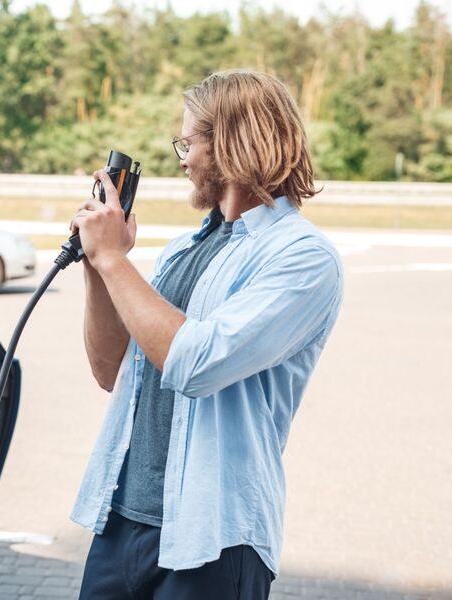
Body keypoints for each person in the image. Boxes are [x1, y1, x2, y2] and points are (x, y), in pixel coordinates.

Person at [69, 70, 344, 599]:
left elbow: (195, 364)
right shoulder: (182, 249)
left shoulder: (302, 257)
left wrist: (114, 259)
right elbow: (109, 370)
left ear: (232, 143)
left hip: (213, 538)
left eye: (188, 143)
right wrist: (97, 264)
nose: (182, 159)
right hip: (122, 521)